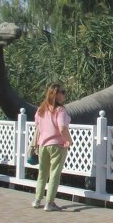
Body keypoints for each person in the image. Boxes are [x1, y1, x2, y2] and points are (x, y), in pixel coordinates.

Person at [31, 83, 73, 211]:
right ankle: (49, 202)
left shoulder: (41, 109)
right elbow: (62, 128)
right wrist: (69, 141)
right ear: (56, 94)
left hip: (43, 144)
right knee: (54, 173)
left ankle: (37, 200)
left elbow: (38, 125)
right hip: (57, 145)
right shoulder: (60, 110)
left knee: (42, 173)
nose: (64, 95)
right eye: (63, 92)